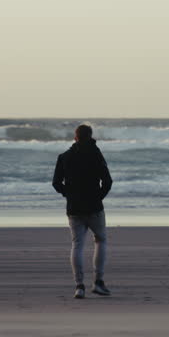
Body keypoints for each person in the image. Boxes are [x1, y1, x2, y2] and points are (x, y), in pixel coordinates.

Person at [51, 123, 112, 299]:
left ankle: (79, 286)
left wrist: (68, 194)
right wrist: (99, 196)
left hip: (74, 207)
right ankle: (98, 282)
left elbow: (56, 183)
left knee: (77, 244)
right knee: (100, 240)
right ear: (90, 136)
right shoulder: (96, 154)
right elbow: (107, 181)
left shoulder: (65, 157)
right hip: (94, 206)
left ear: (75, 137)